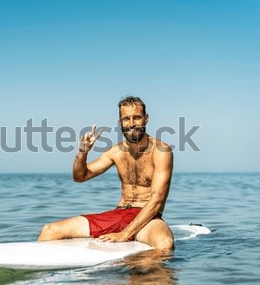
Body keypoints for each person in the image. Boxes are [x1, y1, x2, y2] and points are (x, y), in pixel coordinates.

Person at [38, 96, 174, 249]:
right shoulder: (115, 152)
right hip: (119, 213)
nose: (131, 124)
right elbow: (79, 177)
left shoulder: (160, 151)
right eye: (126, 119)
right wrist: (82, 153)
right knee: (50, 230)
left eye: (136, 118)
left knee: (165, 243)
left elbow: (157, 201)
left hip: (146, 218)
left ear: (146, 118)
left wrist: (125, 234)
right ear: (119, 122)